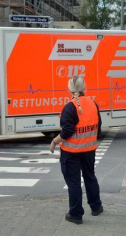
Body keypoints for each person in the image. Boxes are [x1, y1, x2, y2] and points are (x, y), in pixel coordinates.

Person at [49, 76, 103, 225]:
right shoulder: (93, 103)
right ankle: (96, 207)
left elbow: (66, 132)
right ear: (84, 88)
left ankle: (76, 214)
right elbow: (98, 126)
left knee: (74, 183)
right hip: (89, 150)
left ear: (70, 90)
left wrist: (54, 141)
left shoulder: (69, 107)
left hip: (71, 152)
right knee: (90, 177)